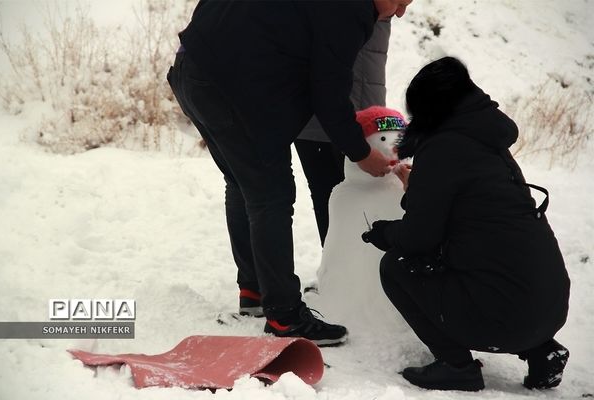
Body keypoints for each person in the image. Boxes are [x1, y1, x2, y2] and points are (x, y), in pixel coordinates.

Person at [167, 0, 413, 346]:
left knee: (243, 185)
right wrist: (360, 152)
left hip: (193, 68)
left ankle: (255, 291)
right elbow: (329, 91)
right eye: (401, 1)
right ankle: (284, 316)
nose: (400, 12)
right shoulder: (351, 9)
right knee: (272, 197)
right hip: (230, 85)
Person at [363, 57, 570, 390]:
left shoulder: (443, 149)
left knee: (396, 266)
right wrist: (420, 190)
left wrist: (384, 232)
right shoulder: (486, 142)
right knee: (490, 261)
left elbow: (418, 239)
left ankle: (456, 365)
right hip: (550, 307)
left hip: (508, 317)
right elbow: (471, 214)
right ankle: (541, 350)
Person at [295, 19, 392, 247]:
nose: (400, 12)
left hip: (310, 111)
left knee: (329, 196)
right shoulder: (354, 10)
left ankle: (340, 272)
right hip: (356, 119)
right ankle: (347, 273)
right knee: (358, 195)